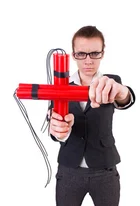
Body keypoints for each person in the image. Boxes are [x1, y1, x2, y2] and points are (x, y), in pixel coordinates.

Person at [48, 25, 135, 206]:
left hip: (104, 170)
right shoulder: (59, 85)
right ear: (73, 55)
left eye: (94, 53)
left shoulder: (112, 81)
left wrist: (123, 92)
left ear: (102, 53)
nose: (88, 60)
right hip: (69, 169)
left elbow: (125, 99)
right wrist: (58, 132)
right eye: (81, 54)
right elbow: (53, 127)